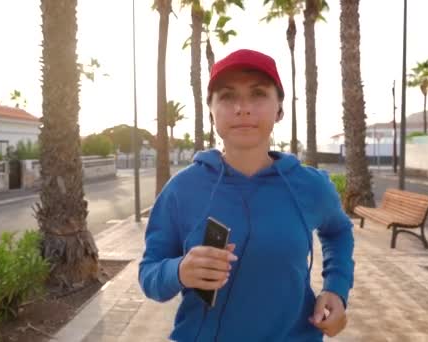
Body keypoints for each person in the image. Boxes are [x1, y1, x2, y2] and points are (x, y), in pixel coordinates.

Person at [138, 49, 355, 341]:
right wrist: (178, 271)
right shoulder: (181, 190)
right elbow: (150, 274)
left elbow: (339, 230)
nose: (242, 107)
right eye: (227, 96)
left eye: (258, 94)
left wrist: (336, 288)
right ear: (212, 111)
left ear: (279, 108)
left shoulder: (310, 186)